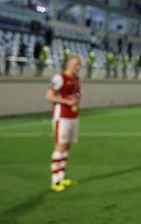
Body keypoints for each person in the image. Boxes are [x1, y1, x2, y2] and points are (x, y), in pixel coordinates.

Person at [45, 55, 82, 192]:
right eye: (76, 64)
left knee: (67, 148)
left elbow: (78, 93)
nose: (78, 67)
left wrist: (76, 100)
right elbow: (49, 96)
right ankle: (55, 181)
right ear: (69, 63)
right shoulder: (59, 78)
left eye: (79, 65)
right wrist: (66, 101)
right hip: (61, 116)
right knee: (59, 148)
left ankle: (61, 177)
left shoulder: (77, 79)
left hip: (73, 116)